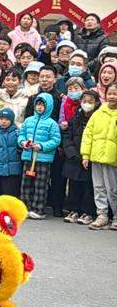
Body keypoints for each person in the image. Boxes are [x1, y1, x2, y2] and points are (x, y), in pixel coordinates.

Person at [18, 93, 61, 219]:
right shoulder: (28, 120)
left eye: (42, 105)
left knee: (40, 184)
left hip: (43, 159)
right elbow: (21, 135)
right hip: (28, 157)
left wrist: (41, 146)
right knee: (26, 183)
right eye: (37, 104)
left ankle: (38, 209)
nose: (39, 107)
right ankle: (25, 207)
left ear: (49, 106)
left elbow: (55, 140)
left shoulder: (52, 123)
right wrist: (23, 143)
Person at [81, 83, 117, 230]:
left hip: (112, 158)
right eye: (110, 94)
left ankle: (116, 217)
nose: (112, 96)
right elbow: (88, 135)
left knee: (113, 189)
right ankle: (102, 215)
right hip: (96, 157)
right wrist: (85, 155)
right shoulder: (98, 113)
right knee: (99, 187)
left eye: (115, 94)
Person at [62, 90, 97, 224]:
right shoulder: (75, 118)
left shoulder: (97, 118)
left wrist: (87, 155)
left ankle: (88, 212)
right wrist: (73, 154)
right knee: (74, 185)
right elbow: (67, 137)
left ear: (96, 103)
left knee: (88, 187)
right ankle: (73, 210)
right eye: (84, 101)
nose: (86, 104)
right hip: (74, 158)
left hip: (89, 158)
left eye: (90, 102)